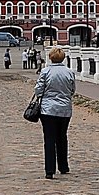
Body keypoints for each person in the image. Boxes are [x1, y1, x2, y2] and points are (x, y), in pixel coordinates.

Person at [33, 47, 76, 179]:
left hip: (48, 109)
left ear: (51, 58)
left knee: (49, 138)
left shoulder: (46, 71)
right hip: (64, 109)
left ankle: (49, 170)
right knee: (62, 137)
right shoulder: (69, 72)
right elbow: (72, 90)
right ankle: (63, 166)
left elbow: (39, 90)